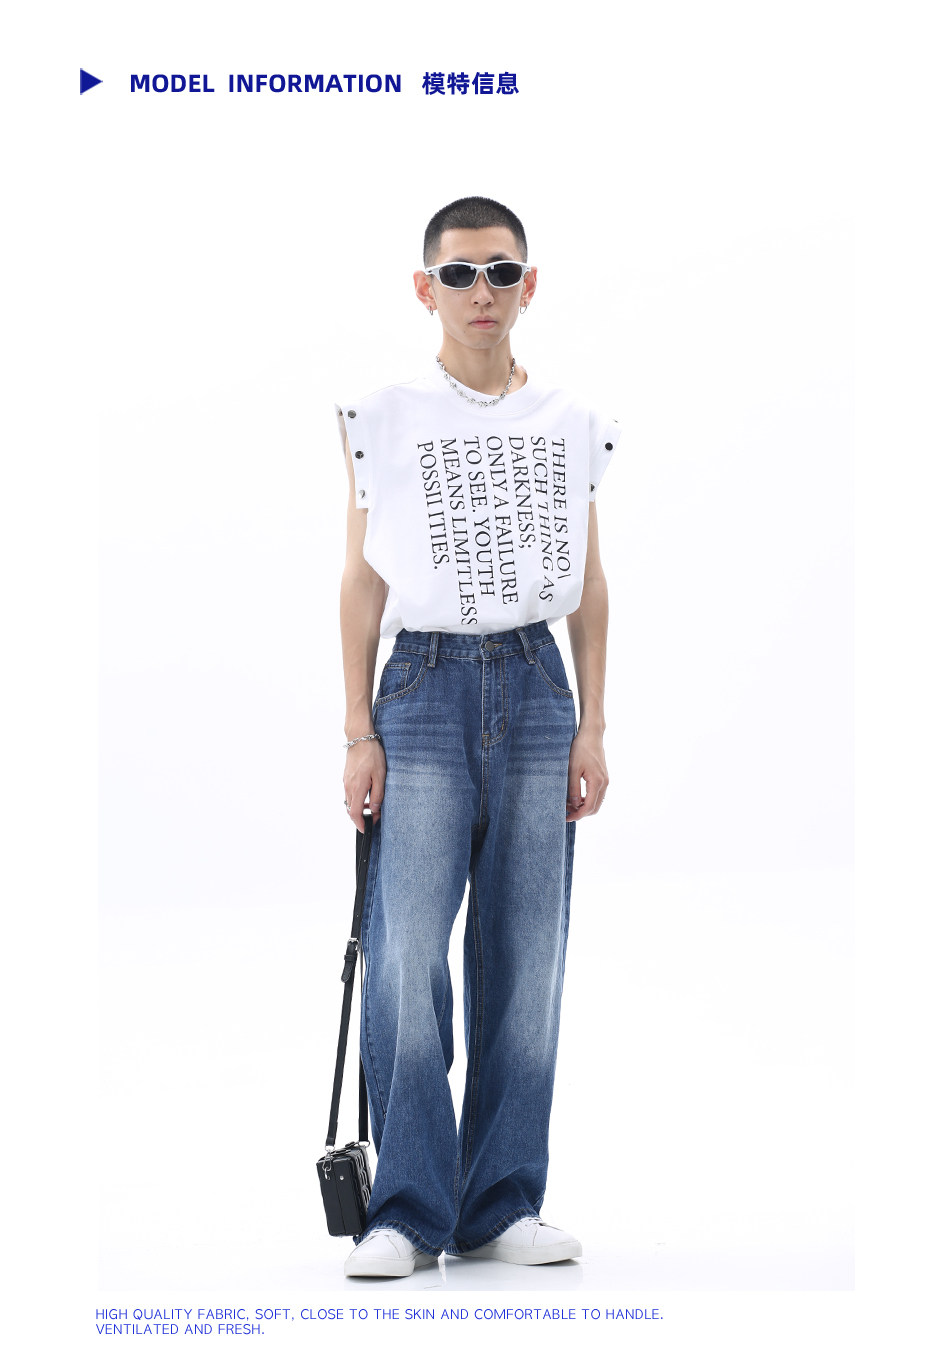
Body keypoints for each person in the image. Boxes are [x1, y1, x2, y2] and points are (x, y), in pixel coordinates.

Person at [336, 196, 617, 1278]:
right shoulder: (384, 416)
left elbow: (589, 579)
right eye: (458, 274)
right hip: (423, 685)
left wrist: (592, 720)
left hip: (537, 686)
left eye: (500, 271)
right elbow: (361, 580)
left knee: (527, 954)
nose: (481, 292)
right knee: (406, 949)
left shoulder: (568, 419)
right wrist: (357, 727)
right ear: (426, 289)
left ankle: (501, 1200)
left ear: (528, 284)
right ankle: (408, 1207)